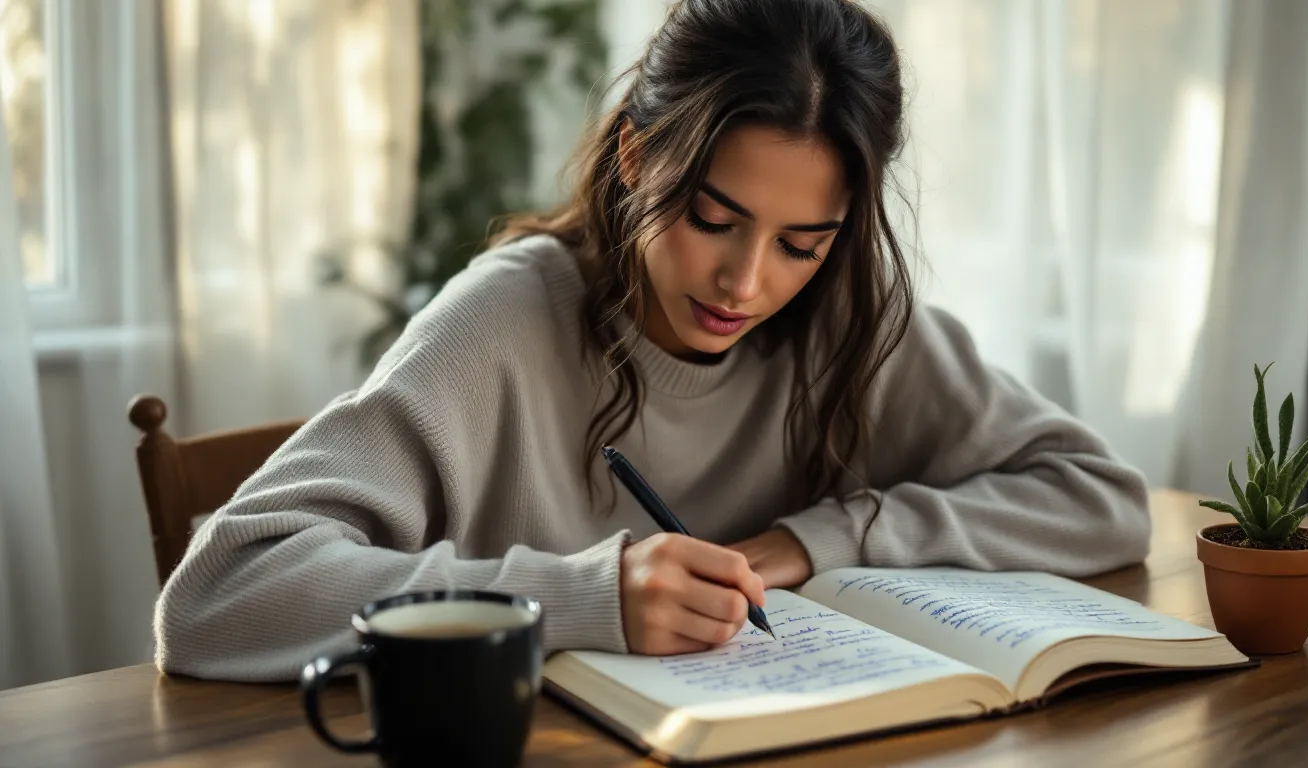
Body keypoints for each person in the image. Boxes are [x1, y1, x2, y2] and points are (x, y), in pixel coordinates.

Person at [153, 0, 1150, 681]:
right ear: (637, 152)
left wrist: (816, 543)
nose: (747, 283)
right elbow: (219, 593)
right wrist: (579, 598)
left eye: (804, 242)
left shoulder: (848, 316)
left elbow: (1098, 497)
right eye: (713, 219)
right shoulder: (501, 324)